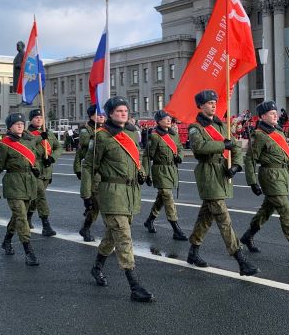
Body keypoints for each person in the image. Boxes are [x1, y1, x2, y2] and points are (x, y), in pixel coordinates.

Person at [82, 97, 153, 303]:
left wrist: (141, 172)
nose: (123, 113)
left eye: (125, 110)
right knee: (124, 237)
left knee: (112, 236)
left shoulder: (131, 132)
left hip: (130, 193)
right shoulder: (101, 137)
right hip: (111, 192)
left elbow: (136, 159)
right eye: (118, 110)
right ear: (110, 114)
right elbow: (88, 166)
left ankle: (96, 268)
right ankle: (135, 285)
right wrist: (87, 194)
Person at [185, 89, 259, 276]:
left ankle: (193, 251)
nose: (213, 105)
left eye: (214, 102)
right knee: (223, 218)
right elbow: (199, 147)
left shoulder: (221, 125)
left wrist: (236, 166)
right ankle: (240, 259)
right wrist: (222, 145)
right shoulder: (196, 127)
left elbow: (234, 145)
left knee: (206, 217)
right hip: (208, 173)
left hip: (221, 173)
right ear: (200, 106)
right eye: (209, 102)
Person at [241, 101, 289, 265]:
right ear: (262, 116)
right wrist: (252, 182)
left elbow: (282, 153)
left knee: (267, 209)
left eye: (276, 112)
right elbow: (250, 159)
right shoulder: (259, 135)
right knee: (285, 210)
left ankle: (248, 236)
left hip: (283, 175)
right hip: (270, 176)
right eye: (271, 113)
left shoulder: (278, 131)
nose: (275, 115)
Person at [0, 113, 40, 266]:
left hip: (29, 184)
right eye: (16, 123)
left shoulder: (28, 141)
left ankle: (6, 241)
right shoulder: (4, 145)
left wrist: (35, 168)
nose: (20, 125)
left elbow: (32, 159)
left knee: (18, 216)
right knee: (22, 218)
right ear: (10, 126)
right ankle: (29, 251)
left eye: (22, 123)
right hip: (13, 184)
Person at [141, 109, 188, 241]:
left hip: (171, 169)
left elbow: (180, 148)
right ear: (158, 121)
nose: (168, 120)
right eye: (165, 118)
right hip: (160, 170)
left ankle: (149, 220)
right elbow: (147, 156)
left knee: (161, 198)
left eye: (169, 118)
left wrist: (179, 156)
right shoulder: (154, 136)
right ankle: (176, 229)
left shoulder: (174, 135)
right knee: (167, 196)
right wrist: (146, 174)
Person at [25, 108, 61, 237]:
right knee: (41, 196)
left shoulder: (48, 133)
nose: (39, 119)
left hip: (47, 169)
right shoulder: (27, 134)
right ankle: (46, 225)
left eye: (41, 117)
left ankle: (28, 217)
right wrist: (40, 137)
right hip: (34, 169)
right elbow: (28, 147)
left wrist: (52, 158)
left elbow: (58, 147)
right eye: (36, 117)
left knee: (35, 198)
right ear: (31, 119)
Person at [74, 105, 106, 241]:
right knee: (99, 204)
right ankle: (87, 229)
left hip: (106, 169)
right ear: (91, 116)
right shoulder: (85, 130)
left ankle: (85, 228)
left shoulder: (106, 129)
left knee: (99, 205)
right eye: (99, 115)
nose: (102, 117)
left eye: (103, 115)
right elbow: (86, 142)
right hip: (93, 169)